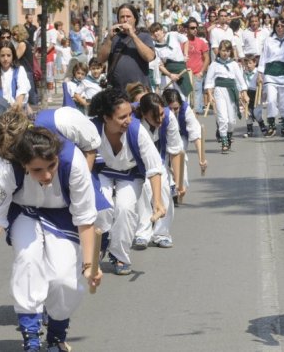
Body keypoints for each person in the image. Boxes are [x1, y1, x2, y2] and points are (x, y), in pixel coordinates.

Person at [0, 126, 102, 352]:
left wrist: (89, 266)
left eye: (51, 166)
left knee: (63, 278)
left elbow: (85, 220)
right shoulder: (7, 166)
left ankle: (57, 336)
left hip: (63, 215)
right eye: (37, 169)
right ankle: (30, 336)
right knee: (27, 260)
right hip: (24, 212)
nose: (47, 175)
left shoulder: (74, 162)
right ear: (24, 165)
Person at [88, 88, 165, 274]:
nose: (128, 120)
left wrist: (157, 201)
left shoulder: (137, 130)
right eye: (122, 117)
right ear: (106, 117)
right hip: (102, 172)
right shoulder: (91, 128)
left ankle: (119, 256)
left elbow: (154, 167)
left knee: (124, 208)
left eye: (130, 114)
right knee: (101, 206)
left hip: (130, 174)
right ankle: (101, 241)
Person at [133, 93, 184, 249]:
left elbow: (175, 151)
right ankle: (142, 233)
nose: (160, 119)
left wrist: (179, 180)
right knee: (143, 191)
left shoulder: (169, 118)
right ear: (143, 113)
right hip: (137, 162)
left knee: (164, 191)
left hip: (160, 160)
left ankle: (162, 233)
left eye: (161, 113)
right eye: (154, 116)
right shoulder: (133, 121)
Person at [98, 3, 156, 92]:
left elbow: (150, 57)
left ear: (135, 19)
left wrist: (133, 35)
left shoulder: (144, 36)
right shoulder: (112, 37)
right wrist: (109, 38)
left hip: (139, 90)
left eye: (128, 16)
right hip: (117, 90)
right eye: (122, 17)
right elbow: (100, 59)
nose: (125, 20)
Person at [204, 40, 249, 153]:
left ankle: (229, 135)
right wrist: (210, 94)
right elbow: (209, 81)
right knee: (222, 118)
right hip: (219, 91)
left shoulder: (234, 64)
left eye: (228, 51)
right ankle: (224, 140)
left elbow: (240, 80)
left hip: (232, 91)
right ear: (219, 51)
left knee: (231, 120)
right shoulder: (214, 65)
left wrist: (244, 93)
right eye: (223, 50)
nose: (225, 53)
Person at [162, 88, 207, 195]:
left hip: (181, 136)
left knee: (179, 152)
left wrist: (201, 158)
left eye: (176, 108)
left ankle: (179, 185)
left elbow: (196, 135)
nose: (172, 112)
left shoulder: (186, 110)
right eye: (170, 109)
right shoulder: (159, 110)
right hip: (163, 137)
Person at [257, 17, 284, 137]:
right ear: (274, 27)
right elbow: (263, 57)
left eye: (282, 26)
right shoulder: (269, 40)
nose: (280, 28)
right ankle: (272, 126)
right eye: (278, 26)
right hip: (270, 73)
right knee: (271, 100)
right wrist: (260, 73)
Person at [149, 22, 191, 100]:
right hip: (167, 74)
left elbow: (185, 40)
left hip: (181, 69)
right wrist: (170, 75)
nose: (156, 33)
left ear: (162, 30)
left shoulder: (172, 35)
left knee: (183, 97)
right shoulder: (155, 47)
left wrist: (185, 54)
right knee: (168, 98)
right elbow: (160, 65)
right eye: (153, 32)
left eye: (157, 30)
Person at [185, 18, 210, 114]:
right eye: (192, 28)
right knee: (186, 104)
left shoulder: (201, 42)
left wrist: (201, 72)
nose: (195, 29)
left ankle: (197, 124)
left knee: (196, 106)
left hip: (197, 75)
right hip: (185, 75)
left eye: (196, 27)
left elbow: (207, 58)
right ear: (187, 29)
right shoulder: (182, 42)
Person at [12, 23, 39, 105]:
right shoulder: (26, 43)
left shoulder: (22, 44)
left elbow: (14, 59)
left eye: (15, 34)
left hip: (26, 72)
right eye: (13, 34)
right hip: (28, 71)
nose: (13, 36)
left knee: (28, 98)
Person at [243, 55, 267, 136]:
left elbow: (264, 84)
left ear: (255, 63)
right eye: (246, 63)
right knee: (247, 113)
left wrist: (263, 94)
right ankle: (249, 129)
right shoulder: (243, 73)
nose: (248, 65)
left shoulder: (258, 73)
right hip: (247, 93)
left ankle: (262, 124)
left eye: (250, 63)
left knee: (257, 113)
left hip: (256, 94)